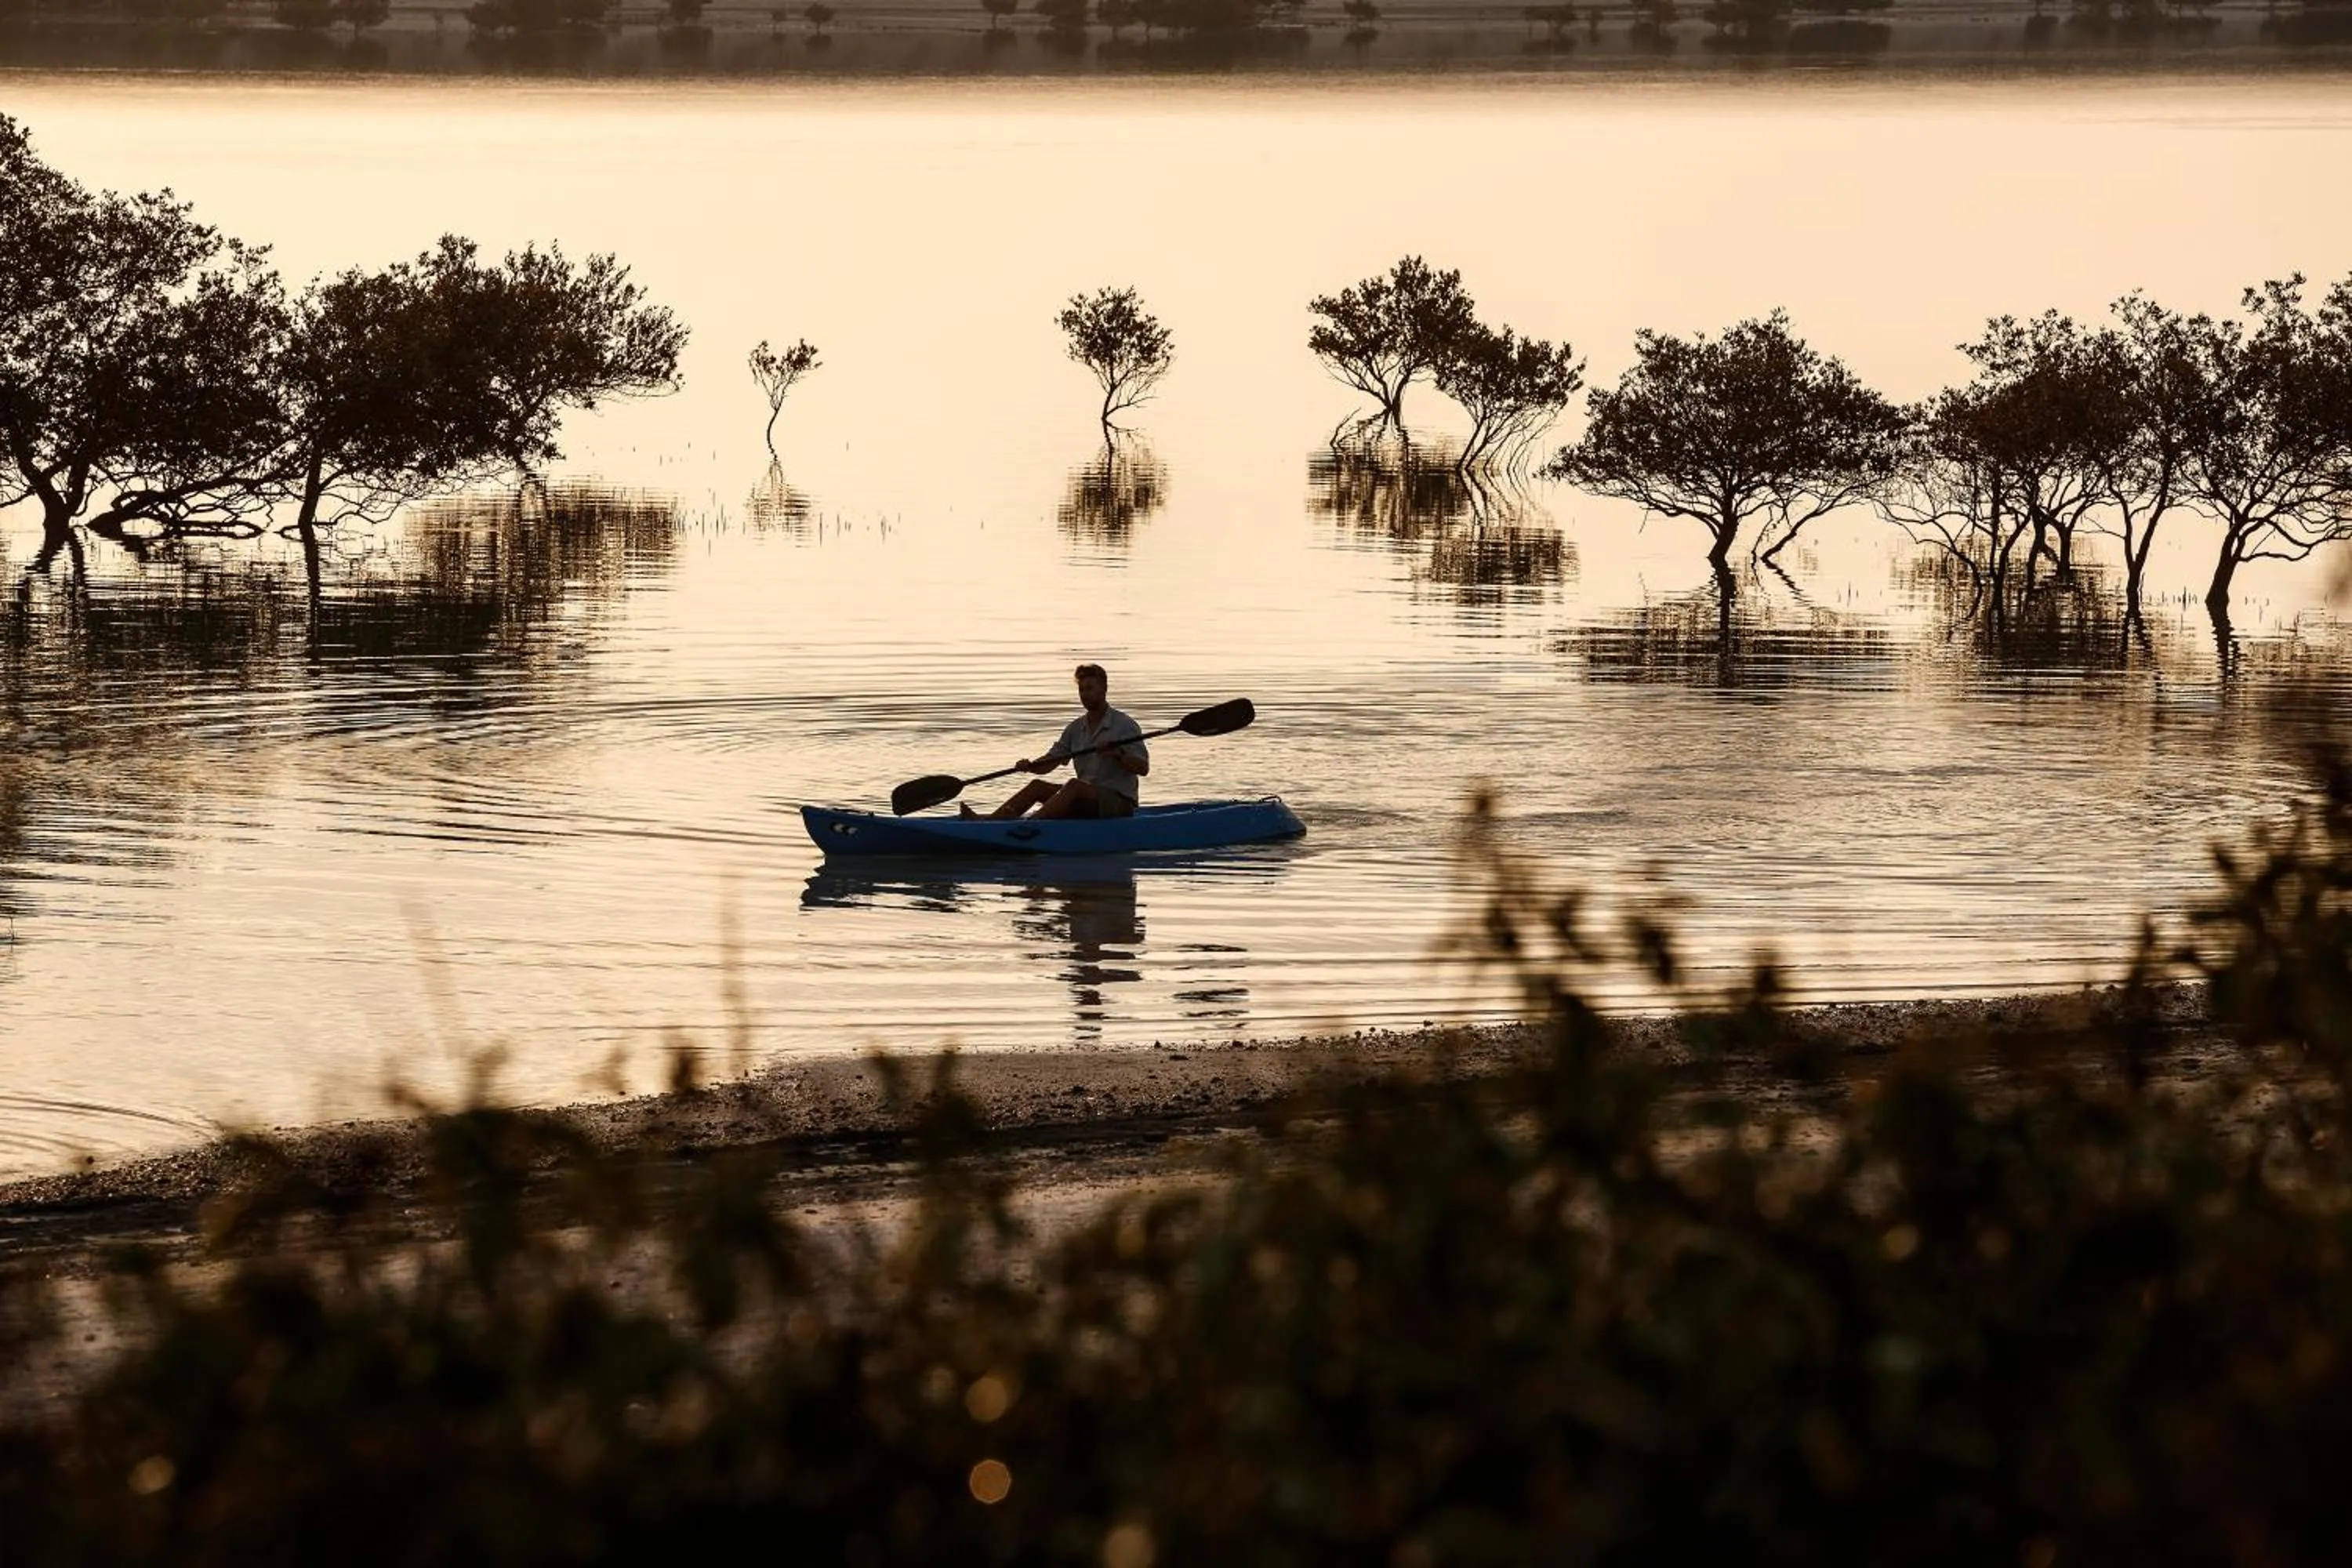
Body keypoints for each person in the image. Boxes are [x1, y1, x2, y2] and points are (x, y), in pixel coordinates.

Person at [964, 662, 1149, 821]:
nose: (1085, 694)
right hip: (1086, 800)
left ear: (1104, 689)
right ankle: (991, 821)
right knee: (1037, 786)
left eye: (1090, 689)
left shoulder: (1125, 725)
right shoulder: (1075, 728)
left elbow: (1143, 769)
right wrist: (1030, 766)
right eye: (1082, 690)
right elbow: (1050, 762)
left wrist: (1118, 754)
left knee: (1073, 785)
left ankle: (1031, 826)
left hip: (1120, 805)